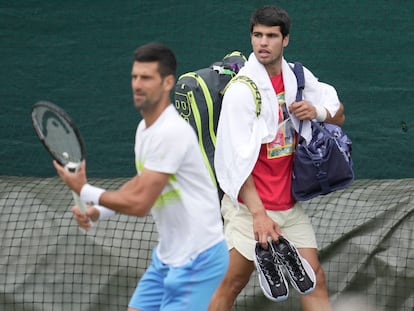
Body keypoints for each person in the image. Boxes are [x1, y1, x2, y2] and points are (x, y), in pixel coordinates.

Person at [54, 42, 229, 311]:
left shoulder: (171, 133)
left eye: (146, 78)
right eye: (134, 77)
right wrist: (99, 210)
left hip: (199, 260)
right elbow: (141, 184)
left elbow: (140, 204)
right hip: (167, 258)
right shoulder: (144, 130)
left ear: (167, 82)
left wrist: (84, 189)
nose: (137, 84)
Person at [208, 5, 345, 311]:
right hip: (250, 209)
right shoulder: (241, 91)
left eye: (271, 36)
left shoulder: (298, 77)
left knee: (314, 279)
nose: (263, 43)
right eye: (257, 35)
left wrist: (317, 111)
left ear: (286, 40)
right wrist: (258, 215)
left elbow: (338, 114)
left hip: (289, 207)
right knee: (231, 284)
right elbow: (233, 160)